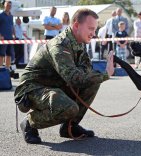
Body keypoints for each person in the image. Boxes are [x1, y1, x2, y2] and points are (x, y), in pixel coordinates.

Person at [14, 8, 114, 144]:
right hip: (32, 88)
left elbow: (86, 71)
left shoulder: (79, 43)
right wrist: (105, 74)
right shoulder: (60, 45)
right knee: (70, 107)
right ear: (76, 25)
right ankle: (29, 123)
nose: (93, 33)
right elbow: (73, 78)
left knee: (93, 82)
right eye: (91, 28)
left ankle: (69, 127)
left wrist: (97, 75)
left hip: (54, 84)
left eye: (95, 29)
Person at [0, 1, 15, 70]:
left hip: (10, 38)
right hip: (3, 38)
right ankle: (0, 70)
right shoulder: (1, 15)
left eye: (10, 5)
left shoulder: (11, 16)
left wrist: (13, 34)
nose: (9, 6)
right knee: (1, 54)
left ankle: (7, 70)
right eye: (7, 5)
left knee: (9, 54)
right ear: (4, 6)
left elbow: (12, 26)